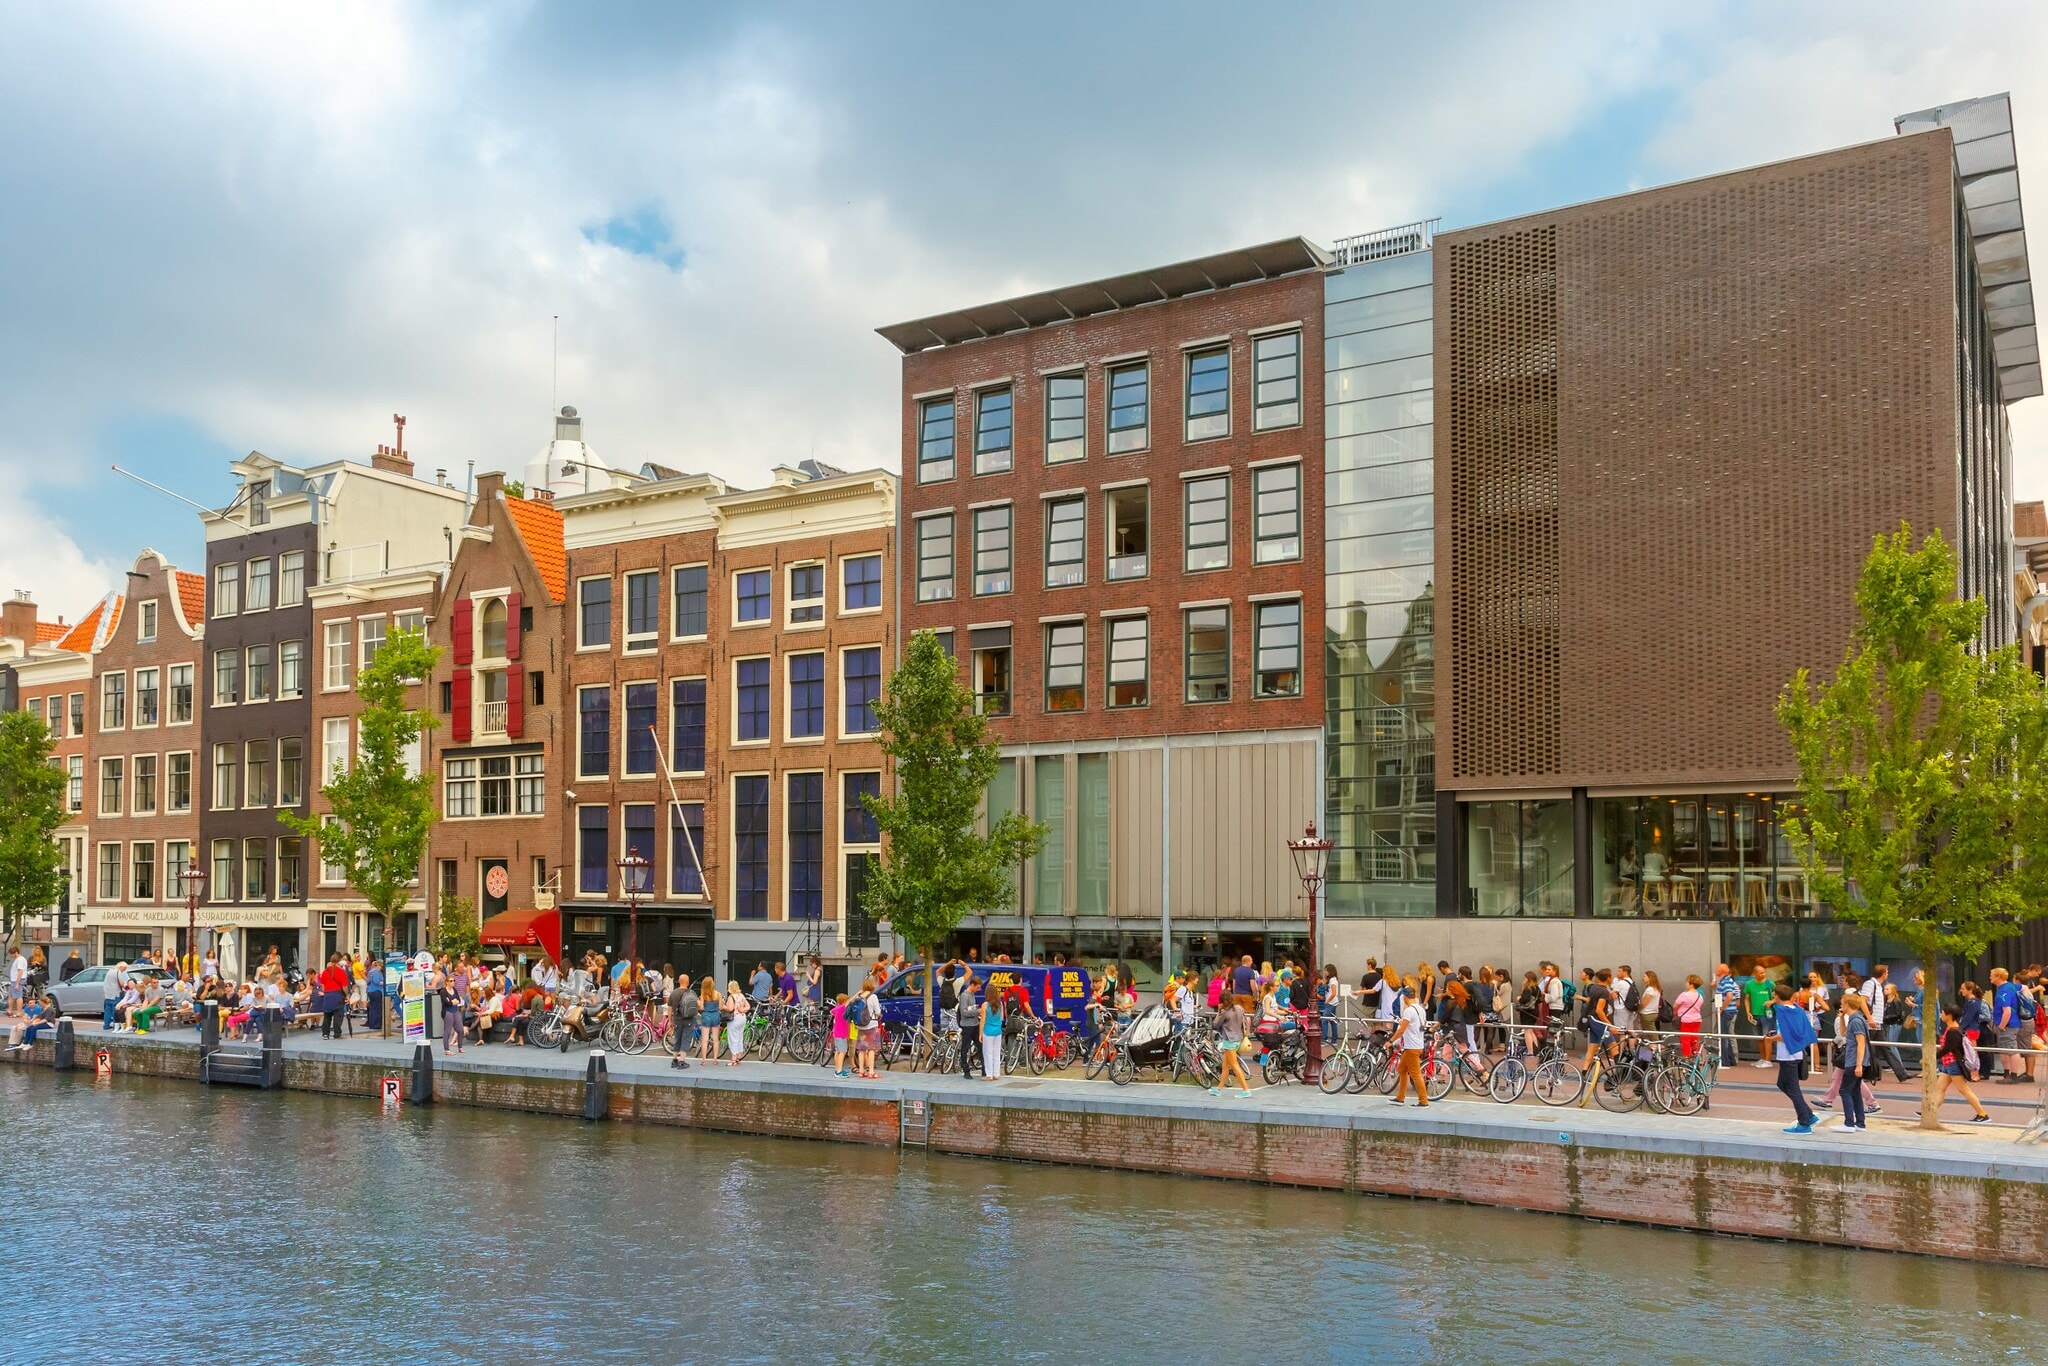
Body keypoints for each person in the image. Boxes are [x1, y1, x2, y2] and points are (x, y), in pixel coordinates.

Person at [1770, 984, 1819, 1134]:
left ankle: (1804, 1122)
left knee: (1793, 1088)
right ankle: (1808, 1114)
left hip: (1787, 1055)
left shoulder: (1782, 1011)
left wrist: (1768, 1039)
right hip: (1797, 1053)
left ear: (1777, 996)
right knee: (1782, 1084)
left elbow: (1785, 1036)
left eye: (1774, 995)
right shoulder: (1797, 1010)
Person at [1931, 1004, 1991, 1123]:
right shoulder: (1953, 1029)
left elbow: (1947, 1048)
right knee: (1939, 1088)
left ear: (1949, 1015)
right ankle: (1930, 1110)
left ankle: (1983, 1114)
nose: (1941, 1015)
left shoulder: (1953, 1031)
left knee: (1964, 1090)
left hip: (1953, 1064)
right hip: (1948, 1064)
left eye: (1943, 1013)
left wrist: (1932, 1057)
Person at [1835, 991, 1872, 1131]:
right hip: (1856, 1060)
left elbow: (1861, 1043)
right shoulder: (1855, 1019)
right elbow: (1844, 1033)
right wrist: (1842, 1017)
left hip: (1854, 1060)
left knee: (1844, 1090)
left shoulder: (1856, 1021)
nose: (1841, 1005)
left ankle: (1849, 1122)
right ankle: (1860, 1123)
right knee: (1855, 1090)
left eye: (1843, 1004)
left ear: (1848, 1005)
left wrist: (1858, 1064)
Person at [1390, 985, 1429, 1108]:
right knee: (1402, 1069)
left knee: (1416, 1074)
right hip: (1417, 1044)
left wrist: (1390, 1041)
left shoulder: (1408, 1010)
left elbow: (1401, 1030)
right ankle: (1400, 1097)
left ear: (1405, 997)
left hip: (1411, 1046)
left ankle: (1423, 1100)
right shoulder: (1421, 1009)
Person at [1212, 991, 1253, 1098]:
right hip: (1238, 1038)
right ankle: (1219, 1089)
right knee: (1225, 1066)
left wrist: (1218, 1011)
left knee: (1234, 1066)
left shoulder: (1224, 1012)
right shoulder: (1239, 1008)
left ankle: (1246, 1089)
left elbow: (1215, 1024)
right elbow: (1244, 1020)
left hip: (1229, 1041)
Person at [1740, 965, 1775, 1067]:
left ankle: (1768, 1060)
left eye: (1764, 972)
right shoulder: (1749, 984)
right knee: (1758, 1037)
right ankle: (1762, 1058)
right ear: (1754, 973)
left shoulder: (1770, 983)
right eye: (1760, 972)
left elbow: (1777, 997)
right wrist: (1748, 1012)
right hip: (1755, 1013)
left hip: (1767, 1014)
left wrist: (1771, 1001)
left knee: (1767, 1037)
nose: (1763, 974)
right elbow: (1746, 998)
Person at [979, 977, 1005, 1080]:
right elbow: (1002, 1018)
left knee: (987, 1053)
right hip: (997, 1031)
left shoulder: (985, 1005)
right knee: (996, 1052)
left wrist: (980, 1033)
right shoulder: (1000, 1004)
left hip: (987, 1031)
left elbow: (983, 1020)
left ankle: (989, 1074)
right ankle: (996, 1074)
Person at [1674, 975, 1705, 1058]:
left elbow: (1675, 1005)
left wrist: (1676, 1012)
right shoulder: (1700, 996)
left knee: (1685, 1040)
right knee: (1695, 1039)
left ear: (1691, 984)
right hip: (1697, 1020)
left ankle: (1687, 1057)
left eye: (1687, 982)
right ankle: (1696, 1056)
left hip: (1686, 1020)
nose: (1685, 984)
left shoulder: (1684, 995)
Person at [697, 977, 722, 1061]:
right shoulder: (718, 994)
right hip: (715, 1015)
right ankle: (715, 1059)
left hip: (706, 1015)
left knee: (705, 1039)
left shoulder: (703, 994)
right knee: (715, 1039)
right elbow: (721, 1007)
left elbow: (701, 1007)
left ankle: (704, 1059)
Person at [831, 992, 854, 1077]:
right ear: (844, 1001)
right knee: (843, 1051)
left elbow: (831, 1011)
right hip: (841, 1034)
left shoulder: (837, 1009)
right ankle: (839, 1071)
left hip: (837, 1033)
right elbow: (850, 1001)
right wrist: (858, 993)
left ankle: (838, 1069)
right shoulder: (842, 1008)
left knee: (837, 1051)